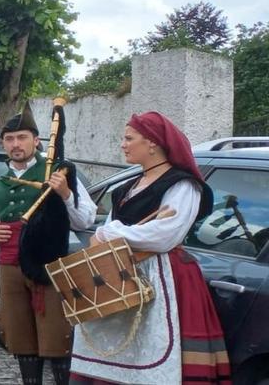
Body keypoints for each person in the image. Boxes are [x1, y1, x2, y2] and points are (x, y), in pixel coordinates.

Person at [70, 112, 230, 384]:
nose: (123, 144)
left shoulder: (182, 184)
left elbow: (165, 235)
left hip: (164, 278)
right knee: (113, 356)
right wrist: (108, 232)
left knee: (152, 357)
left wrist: (110, 232)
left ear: (153, 143)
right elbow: (108, 228)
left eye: (129, 139)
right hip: (120, 275)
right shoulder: (126, 187)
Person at [0, 108, 94, 385]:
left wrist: (65, 193)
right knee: (20, 337)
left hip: (47, 265)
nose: (16, 144)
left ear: (37, 140)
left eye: (22, 137)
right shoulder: (0, 183)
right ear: (3, 143)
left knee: (56, 337)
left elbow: (84, 219)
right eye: (10, 139)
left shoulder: (57, 171)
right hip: (9, 267)